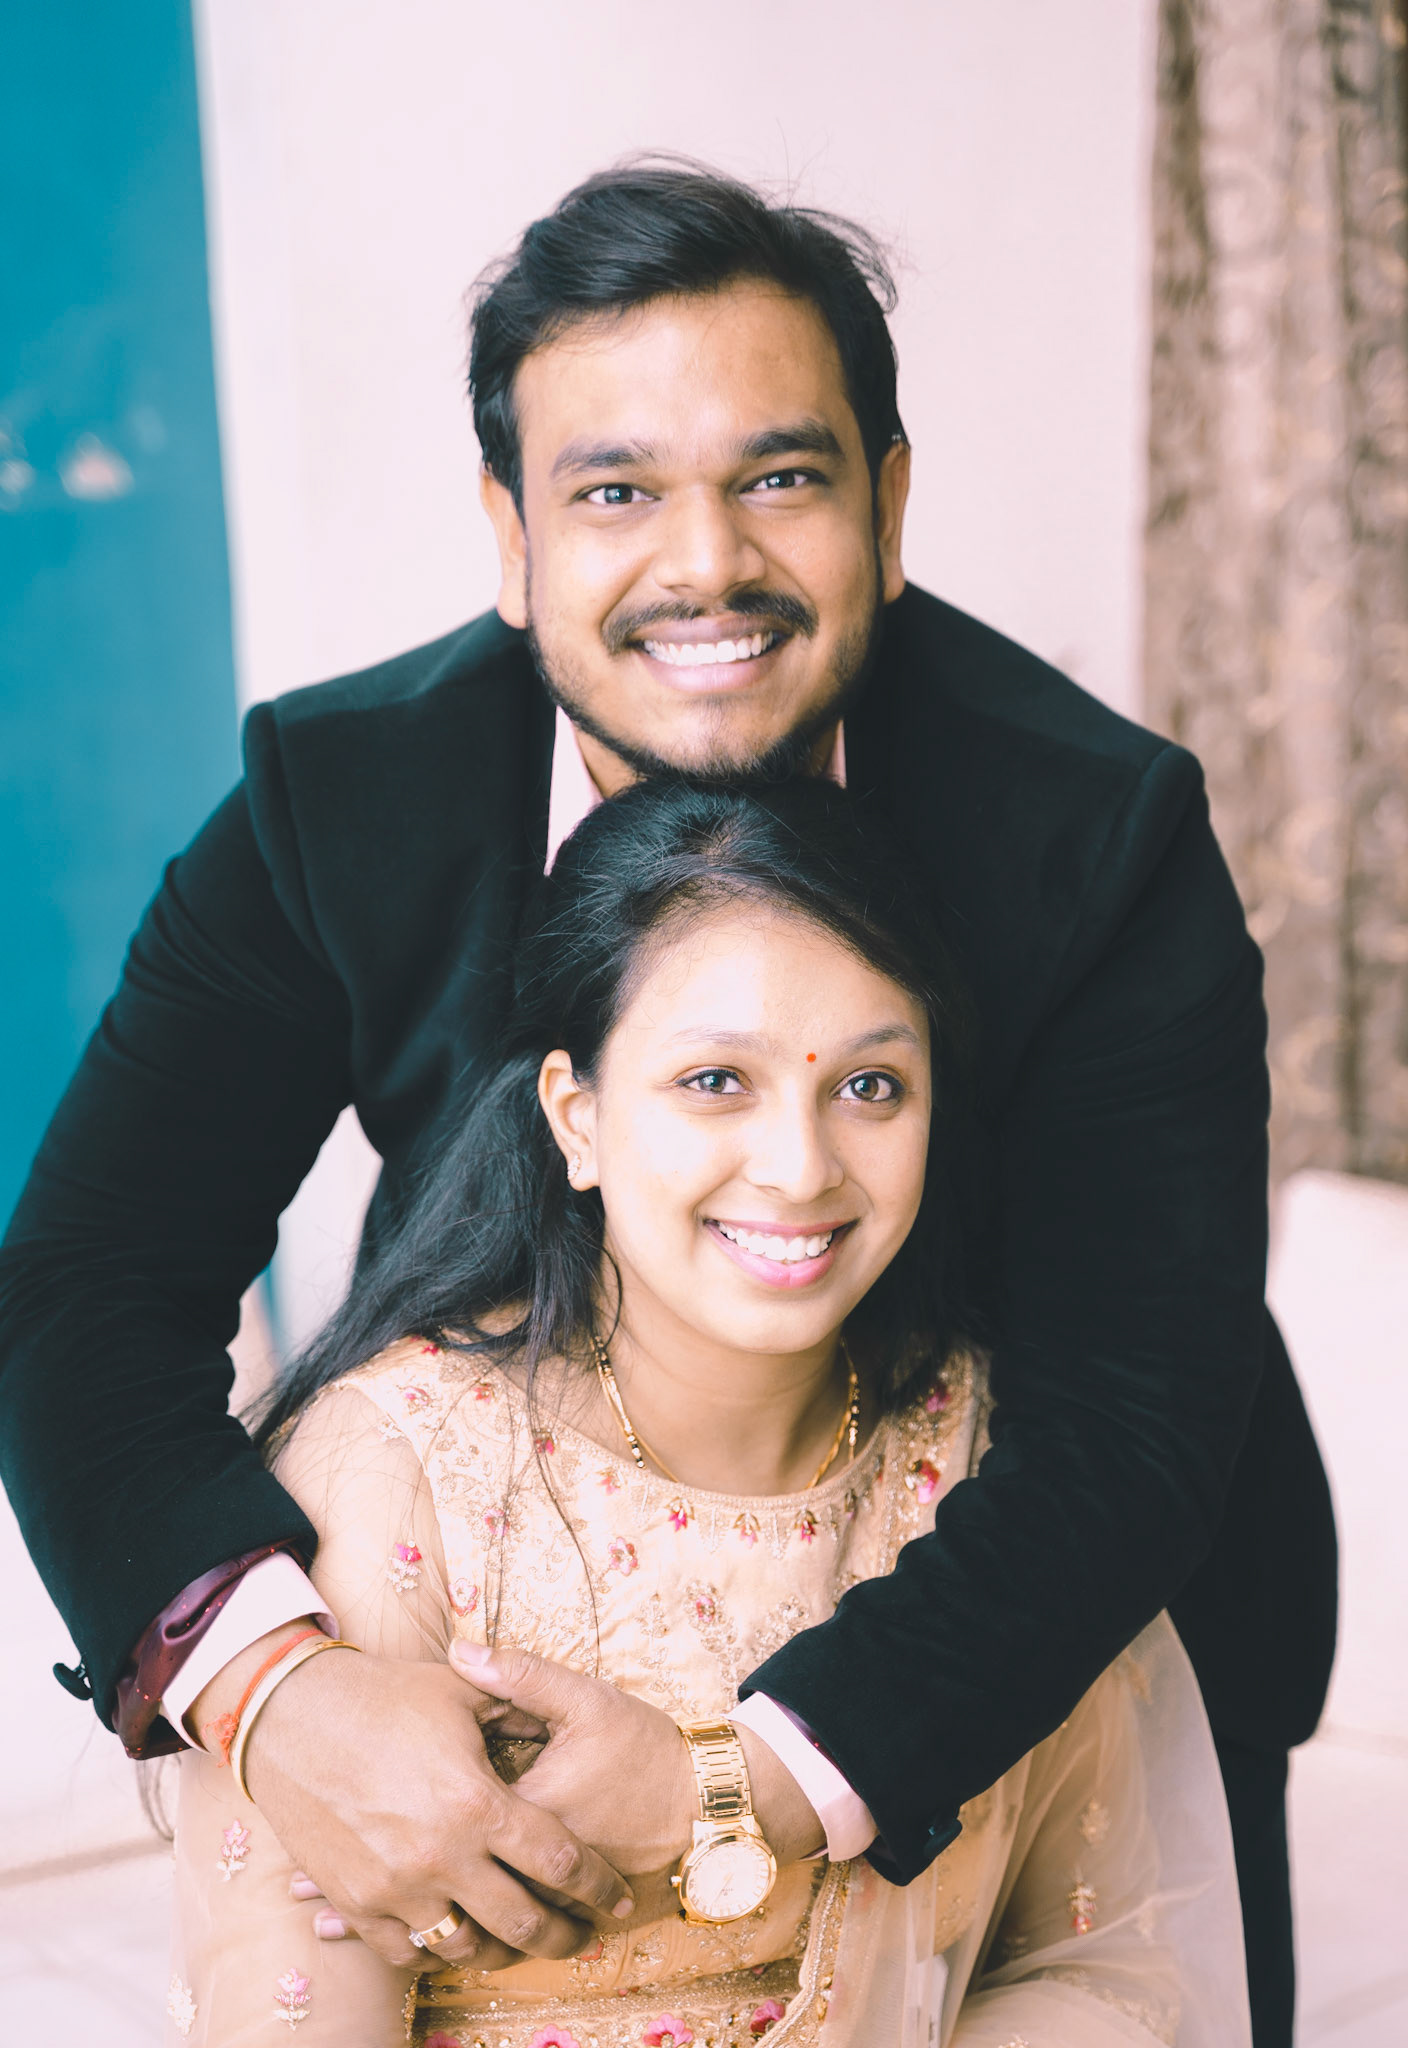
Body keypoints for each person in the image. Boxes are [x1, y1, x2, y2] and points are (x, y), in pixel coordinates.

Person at [0, 161, 1332, 2047]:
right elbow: (85, 1282)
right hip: (537, 1578)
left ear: (887, 504)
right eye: (615, 490)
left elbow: (1126, 1415)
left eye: (779, 477)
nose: (705, 563)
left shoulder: (1098, 832)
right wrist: (277, 1686)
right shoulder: (334, 802)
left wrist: (746, 1778)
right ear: (511, 532)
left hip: (1068, 1624)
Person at [168, 776, 1252, 2046]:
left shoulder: (998, 1476)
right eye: (715, 1078)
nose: (799, 1166)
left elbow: (1099, 1965)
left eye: (870, 1086)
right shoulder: (399, 1477)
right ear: (576, 1117)